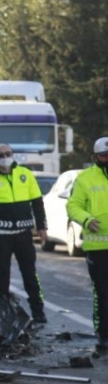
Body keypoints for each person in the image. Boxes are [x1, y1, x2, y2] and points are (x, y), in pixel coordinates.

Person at [0, 143, 48, 323]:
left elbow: (37, 202)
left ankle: (38, 312)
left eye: (8, 153)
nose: (5, 157)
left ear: (13, 154)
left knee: (30, 275)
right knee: (2, 276)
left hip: (23, 234)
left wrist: (42, 227)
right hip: (0, 235)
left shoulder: (26, 174)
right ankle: (2, 313)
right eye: (0, 154)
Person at [66, 137, 108, 352]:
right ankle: (104, 336)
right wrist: (86, 219)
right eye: (104, 156)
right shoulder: (85, 179)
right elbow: (73, 206)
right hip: (98, 247)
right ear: (95, 157)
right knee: (102, 293)